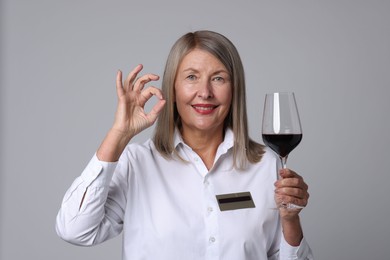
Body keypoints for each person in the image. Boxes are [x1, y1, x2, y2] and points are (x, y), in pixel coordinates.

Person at [56, 30, 313, 260]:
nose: (205, 92)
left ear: (235, 89)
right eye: (192, 77)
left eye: (219, 78)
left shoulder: (266, 165)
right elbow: (75, 229)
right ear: (173, 87)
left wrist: (290, 219)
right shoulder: (137, 163)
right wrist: (118, 135)